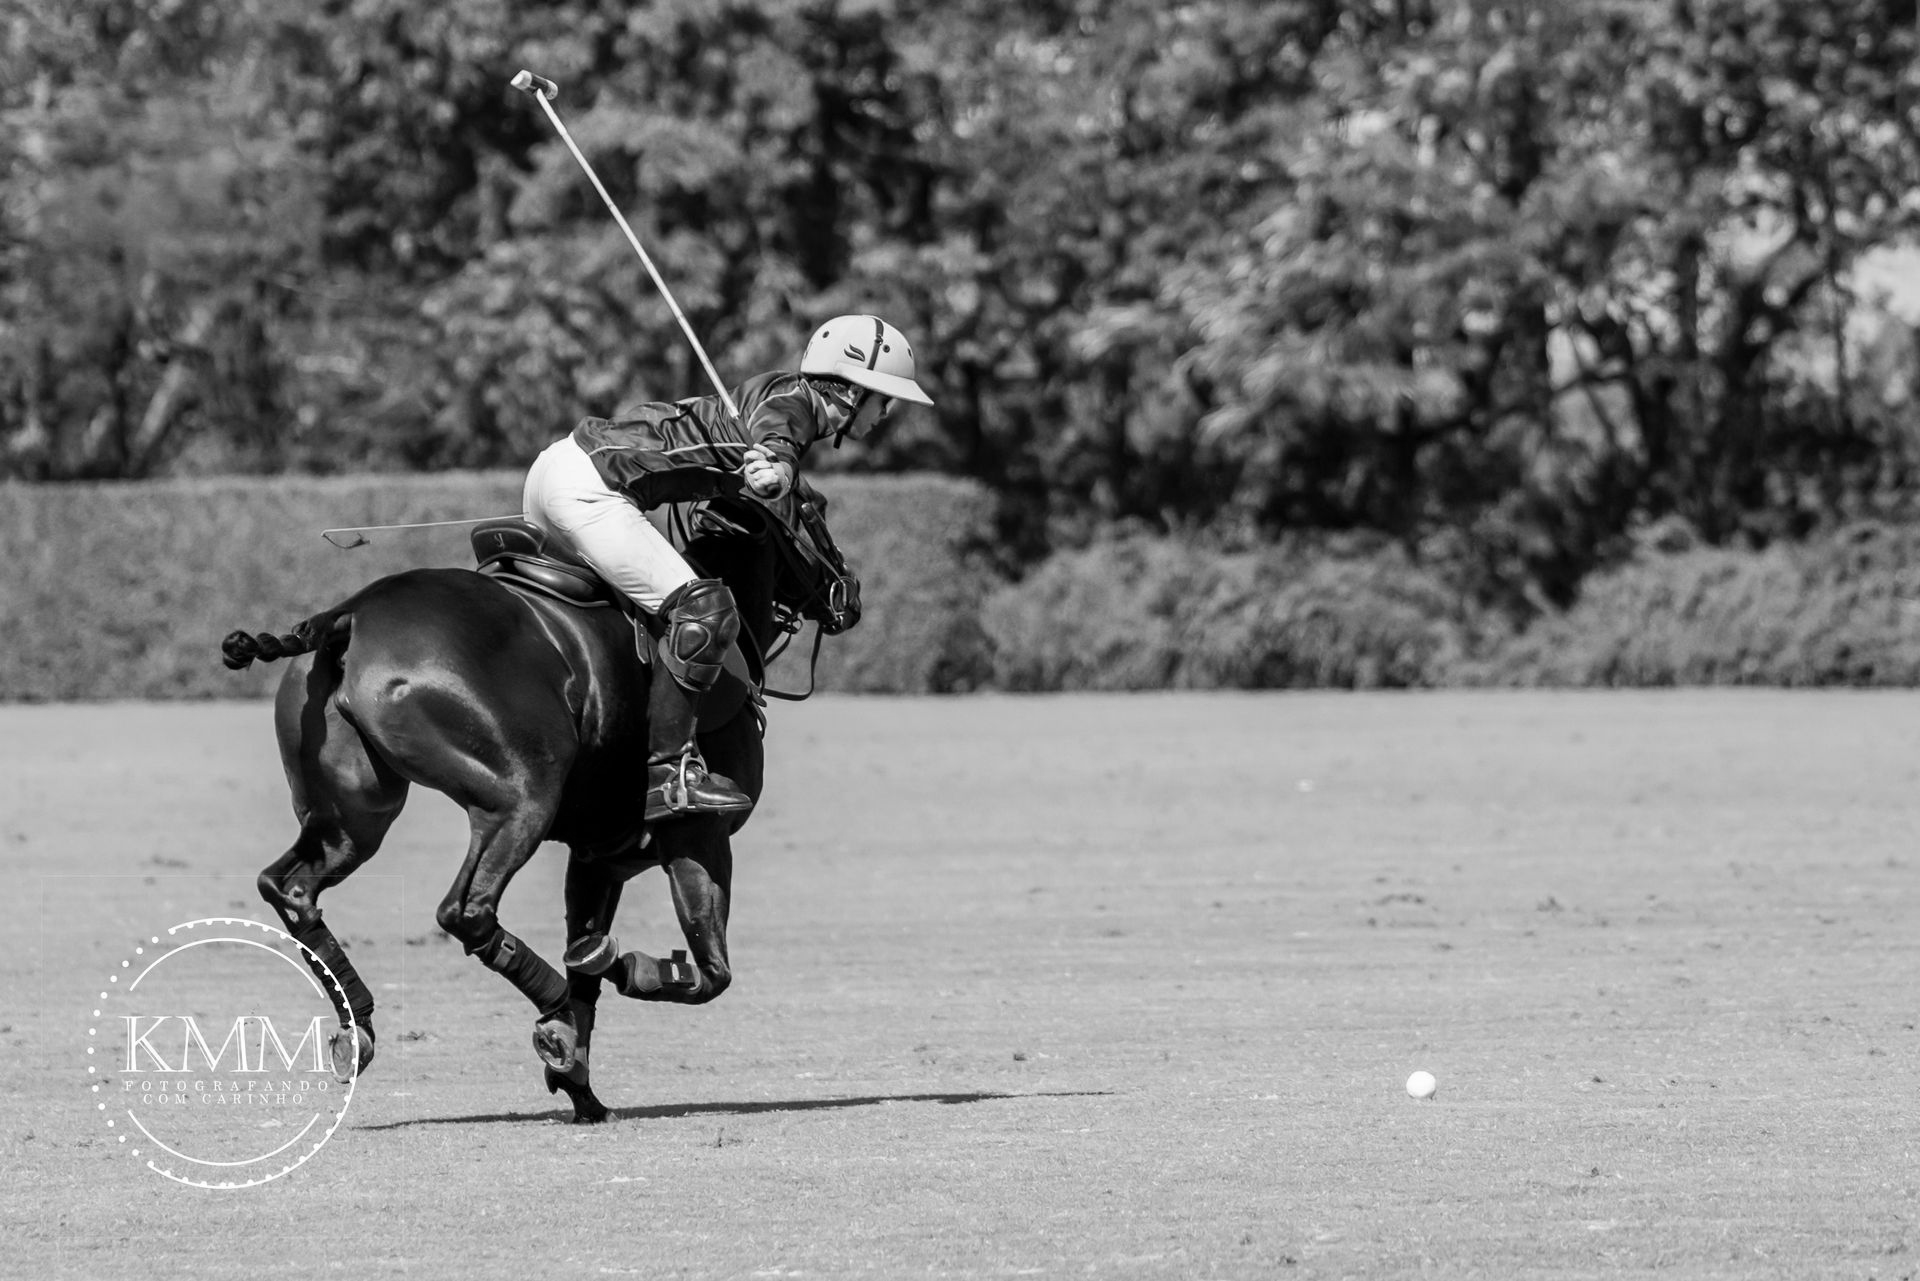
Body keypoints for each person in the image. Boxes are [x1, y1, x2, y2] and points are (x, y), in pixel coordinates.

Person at [522, 314, 934, 821]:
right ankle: (669, 775)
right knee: (707, 609)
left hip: (551, 470)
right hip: (588, 489)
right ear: (853, 392)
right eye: (886, 399)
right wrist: (779, 465)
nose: (887, 413)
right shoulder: (793, 399)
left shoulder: (772, 396)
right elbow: (778, 429)